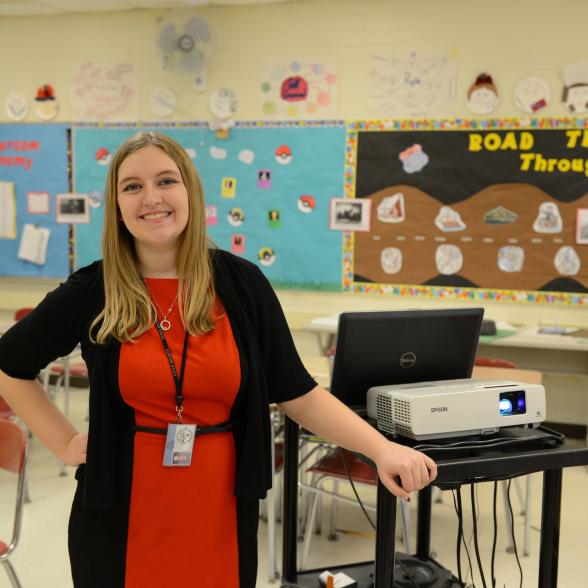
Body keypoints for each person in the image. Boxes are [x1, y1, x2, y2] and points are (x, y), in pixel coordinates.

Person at [0, 131, 437, 588]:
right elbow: (10, 364)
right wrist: (64, 442)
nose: (151, 197)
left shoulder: (241, 285)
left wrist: (381, 448)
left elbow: (298, 392)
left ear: (190, 190)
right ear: (116, 203)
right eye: (132, 186)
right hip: (122, 511)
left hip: (221, 504)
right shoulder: (95, 289)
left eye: (166, 180)